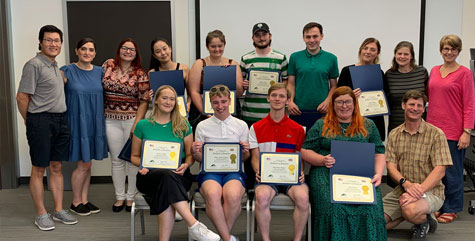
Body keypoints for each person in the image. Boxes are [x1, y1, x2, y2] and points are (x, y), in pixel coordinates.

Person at [131, 85, 220, 241]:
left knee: (167, 182)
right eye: (164, 98)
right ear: (156, 100)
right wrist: (142, 165)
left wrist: (186, 165)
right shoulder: (142, 125)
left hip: (178, 174)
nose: (168, 102)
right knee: (166, 178)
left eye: (172, 99)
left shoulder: (183, 125)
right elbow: (134, 156)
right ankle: (193, 225)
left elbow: (190, 157)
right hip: (148, 175)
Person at [301, 86, 386, 240]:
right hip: (326, 173)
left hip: (360, 176)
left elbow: (379, 152)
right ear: (333, 105)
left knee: (369, 207)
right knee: (334, 206)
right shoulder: (321, 125)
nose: (344, 106)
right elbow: (305, 150)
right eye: (339, 102)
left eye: (348, 101)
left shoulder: (368, 125)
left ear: (355, 103)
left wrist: (379, 174)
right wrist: (321, 160)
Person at [16, 25, 78, 231]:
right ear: (40, 42)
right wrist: (30, 121)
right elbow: (22, 97)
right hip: (40, 120)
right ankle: (41, 214)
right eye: (48, 40)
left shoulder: (56, 68)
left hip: (61, 120)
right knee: (39, 169)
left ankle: (59, 210)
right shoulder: (33, 65)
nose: (53, 44)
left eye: (56, 40)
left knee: (57, 167)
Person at [383, 90, 453, 241]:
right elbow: (391, 167)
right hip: (401, 190)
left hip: (431, 191)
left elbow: (440, 170)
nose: (415, 108)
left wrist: (417, 191)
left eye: (419, 105)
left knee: (410, 210)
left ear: (423, 108)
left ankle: (422, 222)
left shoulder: (436, 134)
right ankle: (426, 217)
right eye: (411, 104)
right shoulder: (394, 134)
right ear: (403, 105)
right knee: (374, 223)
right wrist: (406, 185)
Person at [249, 83, 309, 241]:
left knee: (303, 198)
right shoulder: (255, 128)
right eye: (274, 95)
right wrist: (258, 172)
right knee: (261, 197)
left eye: (282, 96)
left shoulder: (298, 129)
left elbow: (299, 157)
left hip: (291, 178)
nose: (277, 99)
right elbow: (255, 158)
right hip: (267, 177)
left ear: (288, 100)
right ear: (268, 98)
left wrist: (301, 172)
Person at [426, 34, 475, 223]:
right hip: (432, 129)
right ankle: (437, 204)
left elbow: (470, 104)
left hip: (454, 131)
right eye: (446, 48)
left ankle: (452, 207)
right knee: (435, 171)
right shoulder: (434, 70)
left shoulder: (465, 73)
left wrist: (466, 131)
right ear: (441, 50)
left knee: (452, 172)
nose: (449, 52)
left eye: (453, 49)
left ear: (458, 51)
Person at [192, 84, 250, 241]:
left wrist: (245, 152)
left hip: (234, 171)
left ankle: (219, 237)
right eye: (216, 102)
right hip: (210, 172)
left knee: (232, 196)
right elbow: (198, 158)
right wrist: (195, 151)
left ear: (230, 101)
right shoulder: (202, 126)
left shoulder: (241, 125)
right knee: (212, 194)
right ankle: (227, 238)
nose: (220, 106)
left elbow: (244, 158)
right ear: (210, 103)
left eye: (224, 101)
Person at [60, 38, 108, 216]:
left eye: (91, 50)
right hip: (76, 121)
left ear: (95, 53)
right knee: (83, 164)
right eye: (83, 49)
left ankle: (84, 200)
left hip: (95, 122)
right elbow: (54, 92)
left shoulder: (100, 72)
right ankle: (75, 202)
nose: (87, 52)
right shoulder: (66, 71)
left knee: (88, 163)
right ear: (76, 51)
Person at [102, 38, 150, 212]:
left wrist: (136, 125)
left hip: (131, 120)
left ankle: (131, 198)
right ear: (119, 49)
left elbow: (144, 101)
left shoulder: (140, 73)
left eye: (132, 49)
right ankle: (119, 197)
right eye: (125, 48)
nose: (128, 51)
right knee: (116, 161)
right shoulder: (107, 65)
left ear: (136, 54)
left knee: (131, 160)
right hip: (110, 120)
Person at [188, 30, 244, 131]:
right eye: (213, 46)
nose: (217, 49)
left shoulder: (233, 63)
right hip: (202, 113)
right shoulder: (199, 64)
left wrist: (230, 73)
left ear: (224, 45)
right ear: (207, 46)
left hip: (230, 112)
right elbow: (194, 91)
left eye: (220, 46)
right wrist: (206, 112)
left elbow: (239, 93)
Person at [287, 22, 339, 129]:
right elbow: (291, 83)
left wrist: (328, 101)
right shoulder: (295, 57)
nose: (311, 40)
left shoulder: (331, 58)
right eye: (308, 37)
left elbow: (334, 86)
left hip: (322, 112)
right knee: (298, 144)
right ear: (303, 38)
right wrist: (290, 101)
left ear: (321, 36)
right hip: (297, 110)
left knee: (321, 144)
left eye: (315, 36)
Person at [337, 37, 388, 141]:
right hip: (351, 120)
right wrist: (350, 96)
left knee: (373, 152)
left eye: (372, 49)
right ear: (361, 50)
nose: (368, 52)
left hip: (374, 120)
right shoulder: (347, 71)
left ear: (377, 53)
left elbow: (385, 97)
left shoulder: (380, 73)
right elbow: (337, 97)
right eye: (365, 48)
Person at [240, 22, 288, 127]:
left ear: (270, 36)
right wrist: (244, 85)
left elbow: (286, 81)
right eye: (257, 35)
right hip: (250, 115)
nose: (261, 38)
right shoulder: (246, 59)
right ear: (253, 38)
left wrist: (280, 89)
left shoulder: (280, 58)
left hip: (274, 115)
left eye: (264, 34)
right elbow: (240, 86)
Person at [385, 41, 428, 133]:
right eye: (399, 53)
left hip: (419, 125)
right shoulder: (389, 75)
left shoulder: (421, 72)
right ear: (395, 55)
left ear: (411, 56)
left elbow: (427, 96)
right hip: (396, 124)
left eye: (406, 54)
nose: (402, 57)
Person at [149, 37, 191, 111]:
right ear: (154, 56)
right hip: (160, 113)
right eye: (158, 51)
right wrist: (149, 97)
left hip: (180, 111)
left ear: (170, 49)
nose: (163, 53)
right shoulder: (152, 73)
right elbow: (152, 98)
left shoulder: (184, 69)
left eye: (165, 49)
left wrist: (188, 103)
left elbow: (190, 94)